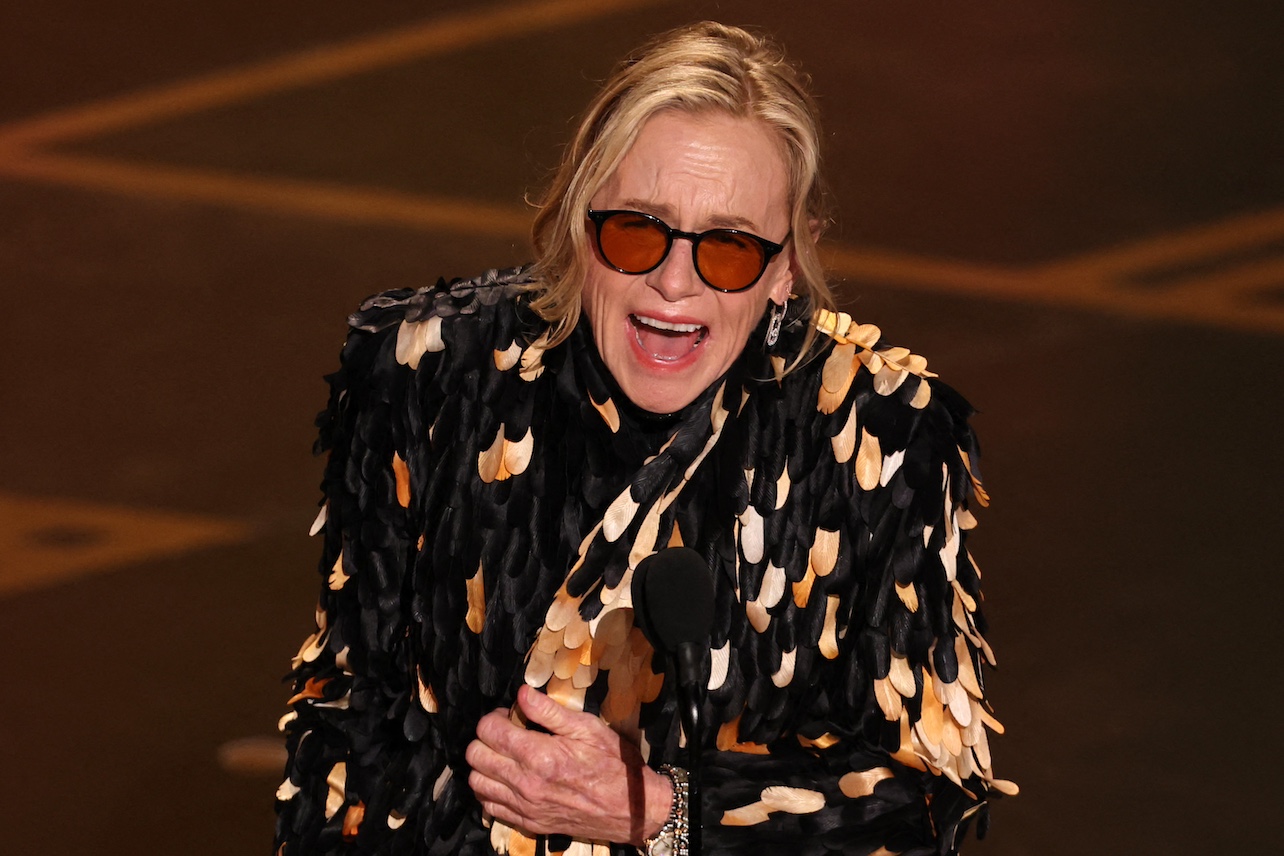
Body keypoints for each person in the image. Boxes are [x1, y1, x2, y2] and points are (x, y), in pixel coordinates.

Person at [275, 21, 1015, 856]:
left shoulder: (879, 437)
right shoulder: (428, 376)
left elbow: (925, 804)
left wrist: (668, 812)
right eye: (638, 228)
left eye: (729, 248)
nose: (673, 282)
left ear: (785, 269)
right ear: (579, 223)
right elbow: (350, 722)